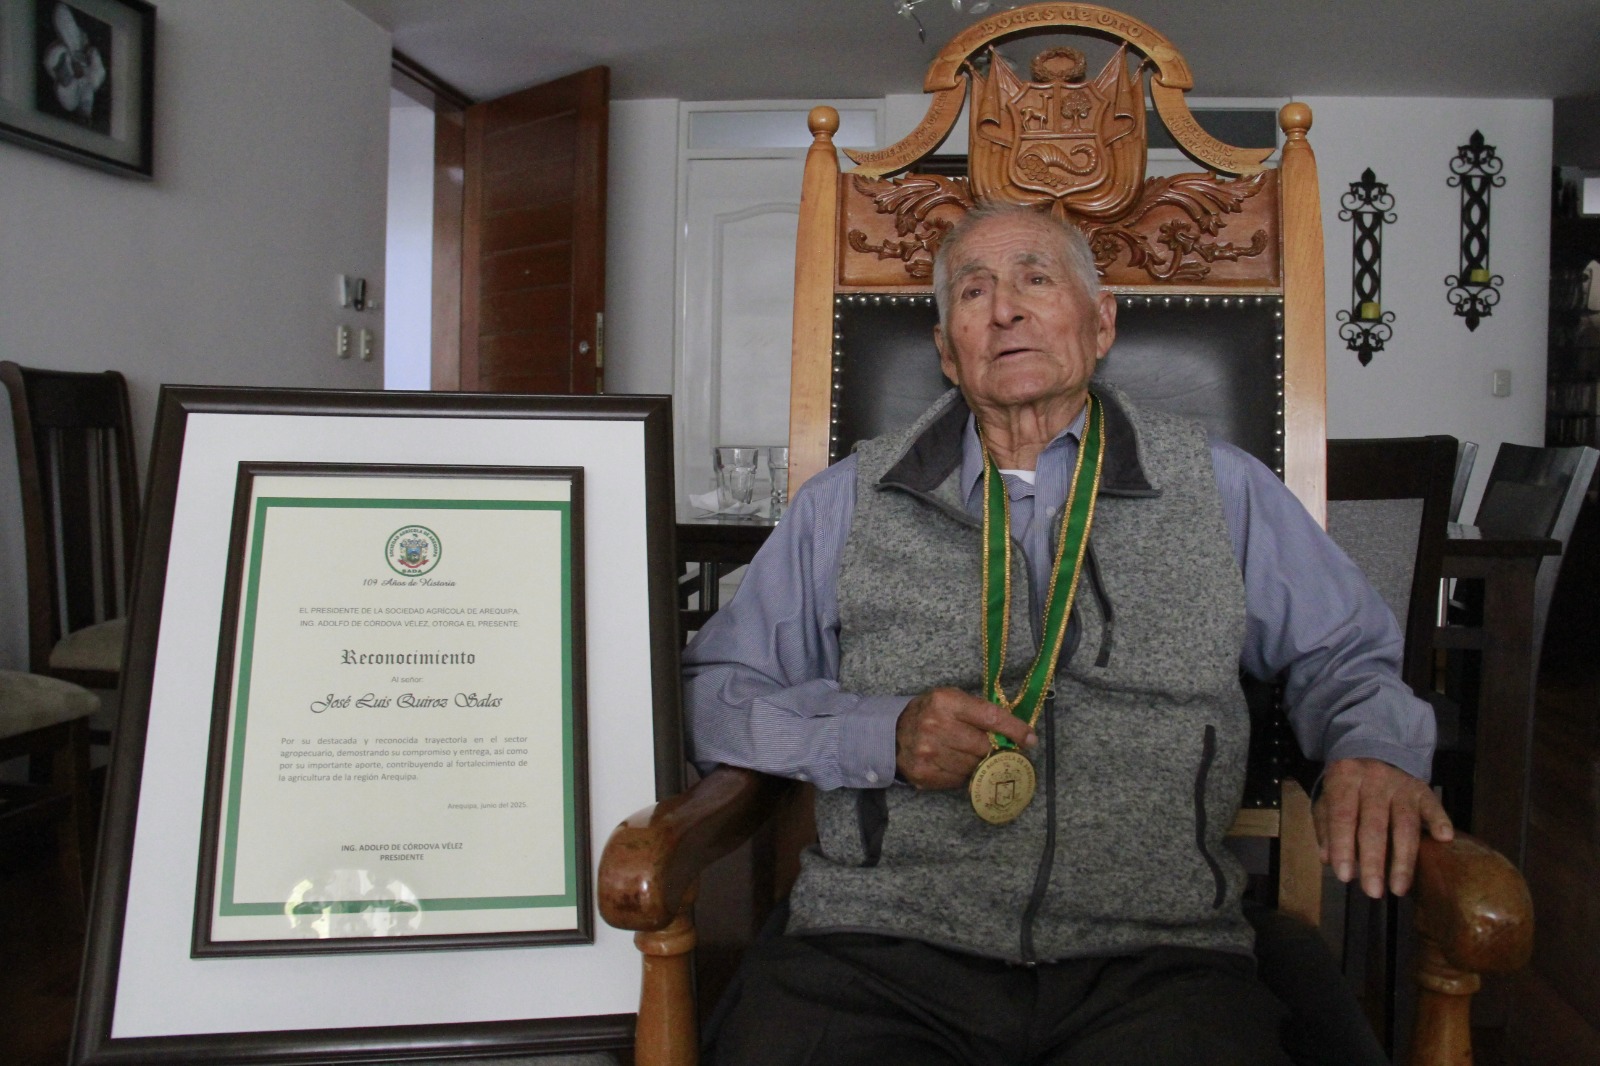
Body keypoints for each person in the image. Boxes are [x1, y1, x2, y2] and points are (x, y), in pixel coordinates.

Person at [683, 204, 1452, 1066]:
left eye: (1036, 280)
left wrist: (1372, 747)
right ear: (948, 351)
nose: (1006, 309)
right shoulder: (846, 502)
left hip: (1158, 953)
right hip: (882, 945)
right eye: (974, 292)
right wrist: (878, 734)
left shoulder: (1221, 490)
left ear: (1102, 323)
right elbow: (717, 694)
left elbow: (1345, 653)